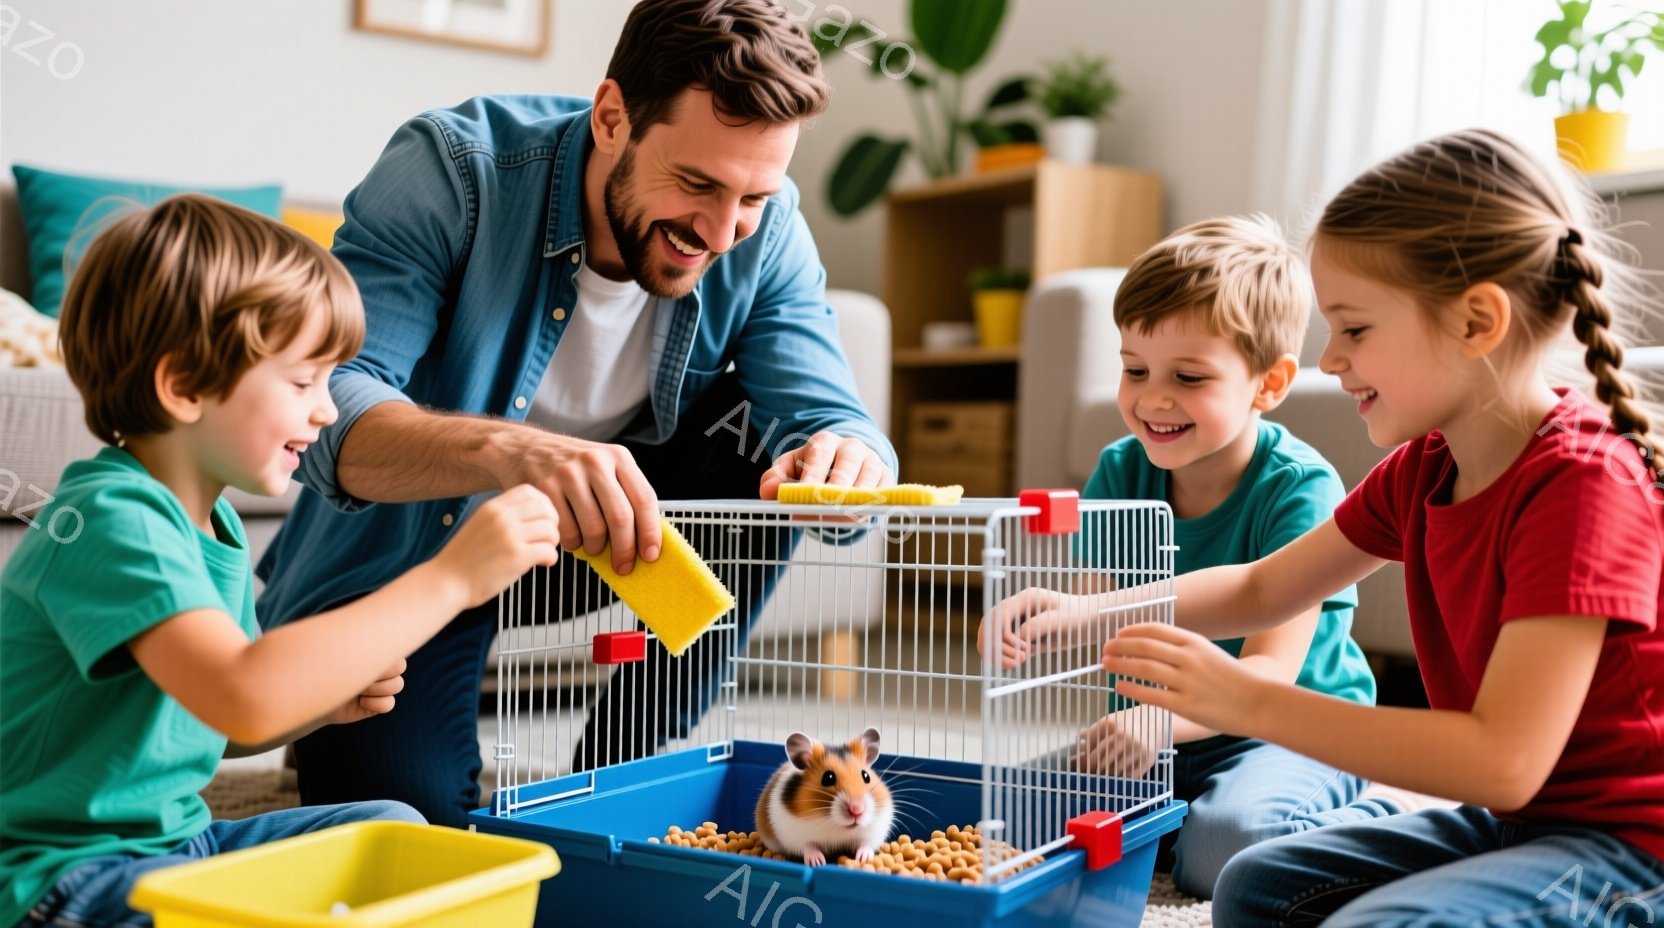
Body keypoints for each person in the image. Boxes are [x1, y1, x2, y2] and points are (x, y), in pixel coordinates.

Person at [255, 0, 897, 827]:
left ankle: (616, 777)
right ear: (610, 118)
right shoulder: (454, 168)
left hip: (600, 539)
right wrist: (511, 453)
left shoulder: (764, 231)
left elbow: (830, 414)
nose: (717, 229)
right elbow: (331, 407)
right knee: (407, 828)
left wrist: (846, 457)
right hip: (414, 558)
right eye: (697, 183)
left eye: (751, 197)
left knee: (765, 446)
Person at [1003, 129, 1664, 925]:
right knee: (1254, 888)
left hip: (1631, 847)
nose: (1329, 358)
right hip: (1522, 825)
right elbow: (1260, 586)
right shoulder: (1423, 468)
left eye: (1353, 328)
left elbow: (1505, 761)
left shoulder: (1582, 481)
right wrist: (1086, 611)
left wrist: (1243, 702)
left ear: (1476, 321)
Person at [0, 195, 560, 928]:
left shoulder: (217, 524)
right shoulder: (113, 521)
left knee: (390, 827)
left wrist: (322, 703)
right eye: (303, 382)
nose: (328, 411)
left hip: (176, 845)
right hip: (58, 876)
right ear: (184, 385)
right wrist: (453, 576)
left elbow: (214, 722)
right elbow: (242, 693)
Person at [989, 216, 1390, 899]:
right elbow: (1098, 625)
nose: (1153, 399)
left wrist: (1156, 719)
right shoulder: (1121, 471)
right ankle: (1173, 818)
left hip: (1288, 731)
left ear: (1268, 384)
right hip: (1163, 737)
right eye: (1134, 369)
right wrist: (1037, 620)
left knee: (1222, 856)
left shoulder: (1298, 488)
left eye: (1189, 376)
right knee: (1014, 819)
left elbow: (1268, 671)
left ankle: (1382, 810)